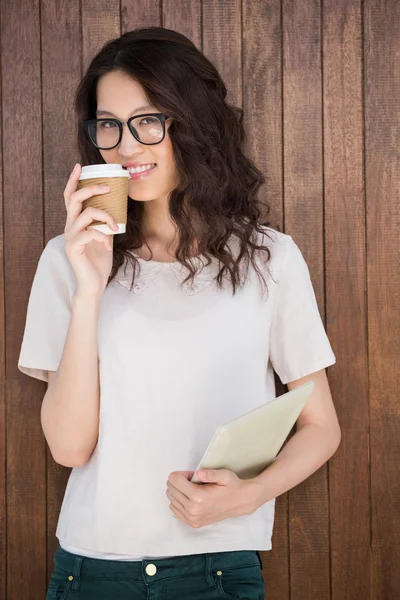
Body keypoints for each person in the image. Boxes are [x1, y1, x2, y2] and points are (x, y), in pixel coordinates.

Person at [18, 27, 341, 600]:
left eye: (147, 120)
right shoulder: (65, 260)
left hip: (221, 569)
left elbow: (321, 428)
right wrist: (89, 289)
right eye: (109, 125)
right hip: (94, 570)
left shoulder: (271, 259)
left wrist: (248, 494)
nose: (125, 145)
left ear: (190, 122)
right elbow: (69, 448)